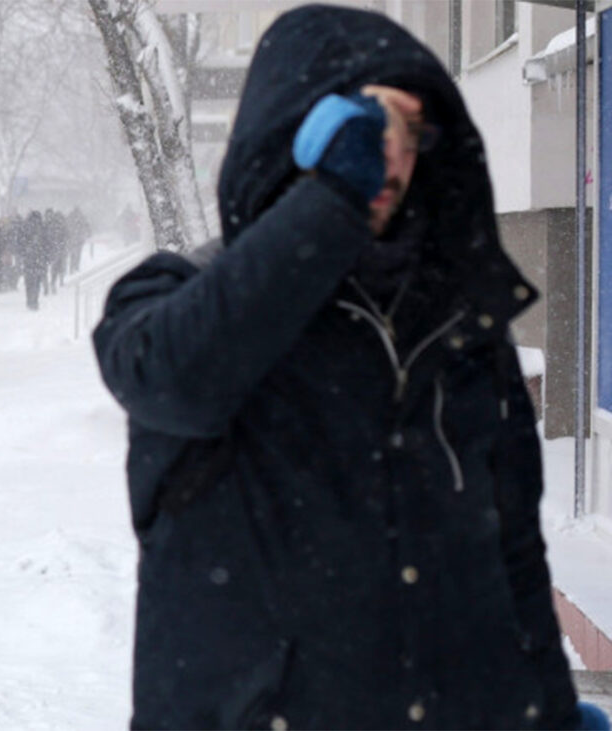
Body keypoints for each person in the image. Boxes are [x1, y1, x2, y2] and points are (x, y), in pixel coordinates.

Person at [93, 6, 592, 728]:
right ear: (293, 136)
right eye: (366, 133)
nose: (392, 159)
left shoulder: (462, 333)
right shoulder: (179, 296)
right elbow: (172, 382)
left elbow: (514, 557)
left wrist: (547, 710)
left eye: (411, 136)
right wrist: (332, 198)